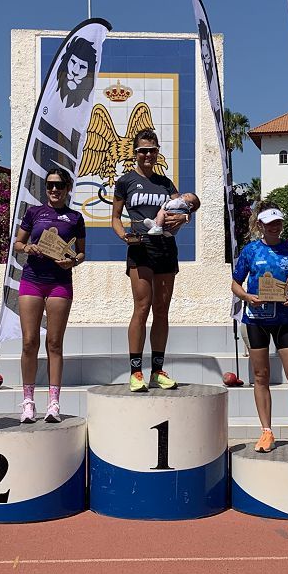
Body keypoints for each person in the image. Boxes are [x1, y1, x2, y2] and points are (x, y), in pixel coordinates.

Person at [230, 204, 288, 455]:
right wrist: (247, 296)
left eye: (278, 222)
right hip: (256, 319)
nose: (275, 226)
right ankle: (267, 431)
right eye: (270, 223)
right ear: (260, 226)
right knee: (261, 377)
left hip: (285, 318)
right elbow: (236, 284)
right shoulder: (250, 251)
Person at [112, 129, 194, 392]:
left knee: (161, 309)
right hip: (140, 247)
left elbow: (181, 210)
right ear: (135, 153)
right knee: (142, 306)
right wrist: (124, 235)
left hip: (165, 247)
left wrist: (185, 217)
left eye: (152, 150)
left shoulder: (166, 183)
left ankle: (157, 370)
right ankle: (136, 372)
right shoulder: (125, 182)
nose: (147, 155)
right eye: (142, 150)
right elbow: (115, 217)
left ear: (158, 152)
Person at [12, 167, 86, 423]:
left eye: (59, 186)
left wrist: (73, 261)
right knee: (29, 341)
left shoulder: (75, 217)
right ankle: (28, 401)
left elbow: (81, 253)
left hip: (59, 283)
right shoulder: (33, 212)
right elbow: (18, 244)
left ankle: (54, 402)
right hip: (32, 280)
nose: (54, 190)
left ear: (67, 189)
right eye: (50, 185)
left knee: (54, 343)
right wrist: (28, 247)